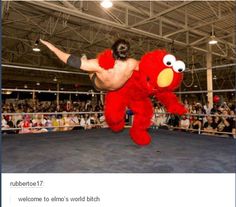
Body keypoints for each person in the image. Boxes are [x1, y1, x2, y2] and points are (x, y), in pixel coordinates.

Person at [40, 39, 139, 91]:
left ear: (112, 50)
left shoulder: (98, 64)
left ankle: (85, 60)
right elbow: (148, 67)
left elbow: (71, 61)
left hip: (99, 85)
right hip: (119, 86)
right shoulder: (132, 63)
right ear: (126, 53)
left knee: (89, 68)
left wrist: (52, 48)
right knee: (90, 67)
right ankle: (85, 61)